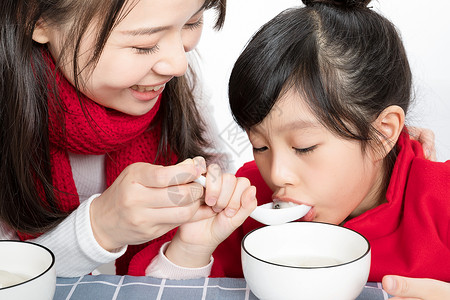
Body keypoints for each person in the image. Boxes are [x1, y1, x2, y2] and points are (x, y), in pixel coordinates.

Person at [128, 0, 450, 299]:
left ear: (382, 134)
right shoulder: (248, 201)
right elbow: (149, 290)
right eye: (260, 145)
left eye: (304, 147)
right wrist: (191, 249)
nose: (277, 174)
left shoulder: (440, 201)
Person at [0, 0, 258, 277]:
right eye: (144, 44)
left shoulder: (179, 94)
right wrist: (98, 228)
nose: (178, 65)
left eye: (192, 23)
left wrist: (188, 250)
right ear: (36, 19)